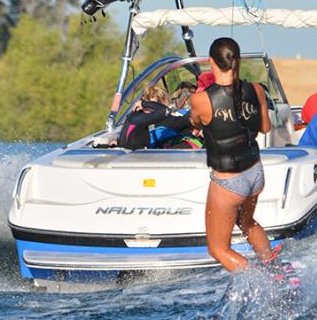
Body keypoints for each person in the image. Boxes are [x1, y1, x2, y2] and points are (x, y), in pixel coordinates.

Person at [189, 37, 276, 272]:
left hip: (228, 181)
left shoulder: (200, 100)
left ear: (210, 62)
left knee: (218, 249)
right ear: (237, 61)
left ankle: (263, 281)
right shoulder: (256, 89)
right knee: (246, 222)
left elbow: (195, 122)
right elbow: (266, 128)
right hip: (255, 172)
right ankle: (276, 268)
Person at [118, 85, 197, 150]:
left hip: (184, 146)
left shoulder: (175, 116)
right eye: (150, 104)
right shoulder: (143, 120)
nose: (152, 109)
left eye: (155, 105)